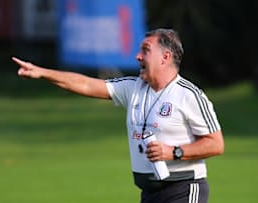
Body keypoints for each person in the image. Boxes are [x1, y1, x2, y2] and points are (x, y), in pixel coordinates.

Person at [12, 28, 224, 203]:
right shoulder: (133, 88)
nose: (137, 56)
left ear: (165, 57)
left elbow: (216, 144)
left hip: (184, 190)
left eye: (145, 50)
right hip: (149, 193)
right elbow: (86, 84)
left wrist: (174, 152)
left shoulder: (189, 95)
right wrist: (42, 72)